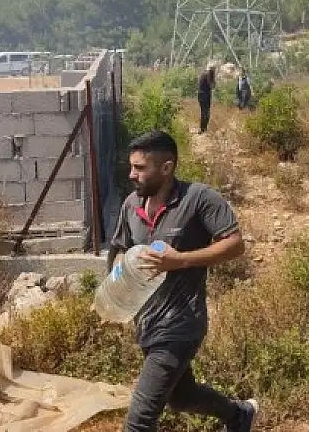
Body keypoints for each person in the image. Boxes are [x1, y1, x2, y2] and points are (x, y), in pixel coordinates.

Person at [107, 129, 258, 432]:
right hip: (147, 324)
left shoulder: (199, 199)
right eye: (131, 166)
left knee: (139, 421)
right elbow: (120, 252)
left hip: (181, 326)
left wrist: (180, 260)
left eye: (140, 168)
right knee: (182, 397)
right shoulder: (131, 205)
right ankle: (239, 414)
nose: (132, 174)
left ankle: (239, 415)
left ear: (166, 168)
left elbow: (235, 244)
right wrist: (114, 299)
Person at [197, 66, 215, 133]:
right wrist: (213, 79)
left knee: (204, 112)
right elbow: (212, 86)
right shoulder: (208, 74)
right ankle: (203, 129)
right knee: (205, 112)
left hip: (202, 94)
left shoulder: (204, 73)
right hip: (204, 95)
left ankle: (203, 128)